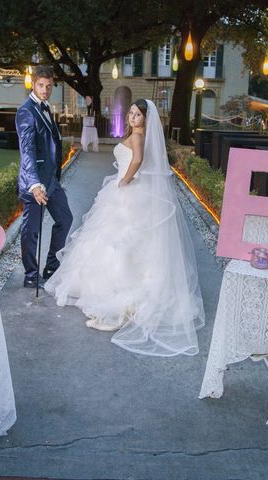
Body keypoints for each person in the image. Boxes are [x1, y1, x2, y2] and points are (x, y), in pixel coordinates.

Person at [45, 99, 205, 356]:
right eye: (131, 113)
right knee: (114, 239)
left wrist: (126, 179)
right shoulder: (136, 134)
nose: (132, 117)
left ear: (145, 119)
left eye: (137, 114)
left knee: (122, 241)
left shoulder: (139, 137)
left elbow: (138, 159)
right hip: (126, 190)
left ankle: (123, 294)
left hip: (129, 191)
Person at [16, 65, 73, 288]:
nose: (45, 90)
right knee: (31, 230)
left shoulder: (47, 108)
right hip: (35, 183)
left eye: (49, 86)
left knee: (65, 219)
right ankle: (31, 275)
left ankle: (52, 267)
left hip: (51, 181)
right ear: (33, 83)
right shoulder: (26, 111)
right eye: (41, 85)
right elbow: (27, 149)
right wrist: (34, 184)